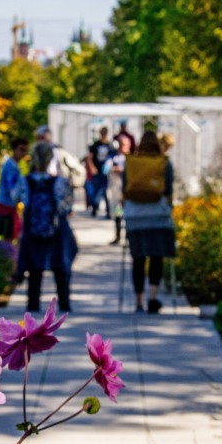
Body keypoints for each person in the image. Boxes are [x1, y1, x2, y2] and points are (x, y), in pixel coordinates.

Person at [15, 142, 77, 313]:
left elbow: (15, 199)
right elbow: (66, 206)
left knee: (35, 268)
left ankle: (33, 304)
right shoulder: (59, 182)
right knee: (60, 266)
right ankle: (64, 303)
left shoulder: (25, 181)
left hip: (32, 231)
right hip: (57, 231)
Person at [122, 132, 176, 314]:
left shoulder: (131, 163)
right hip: (158, 216)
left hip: (135, 216)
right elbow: (168, 190)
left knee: (138, 258)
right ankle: (152, 298)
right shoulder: (164, 163)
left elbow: (124, 188)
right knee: (156, 257)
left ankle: (138, 301)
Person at [0, 137, 29, 240]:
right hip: (6, 205)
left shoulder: (12, 165)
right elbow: (11, 190)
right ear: (14, 149)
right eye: (21, 150)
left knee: (11, 234)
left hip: (8, 204)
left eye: (25, 151)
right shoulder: (11, 167)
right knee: (9, 235)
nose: (23, 153)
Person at [87, 127, 115, 219]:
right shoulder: (96, 145)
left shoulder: (110, 145)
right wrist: (92, 168)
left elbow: (113, 159)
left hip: (107, 172)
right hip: (97, 171)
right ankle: (95, 207)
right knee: (96, 191)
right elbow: (89, 158)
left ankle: (108, 211)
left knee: (105, 192)